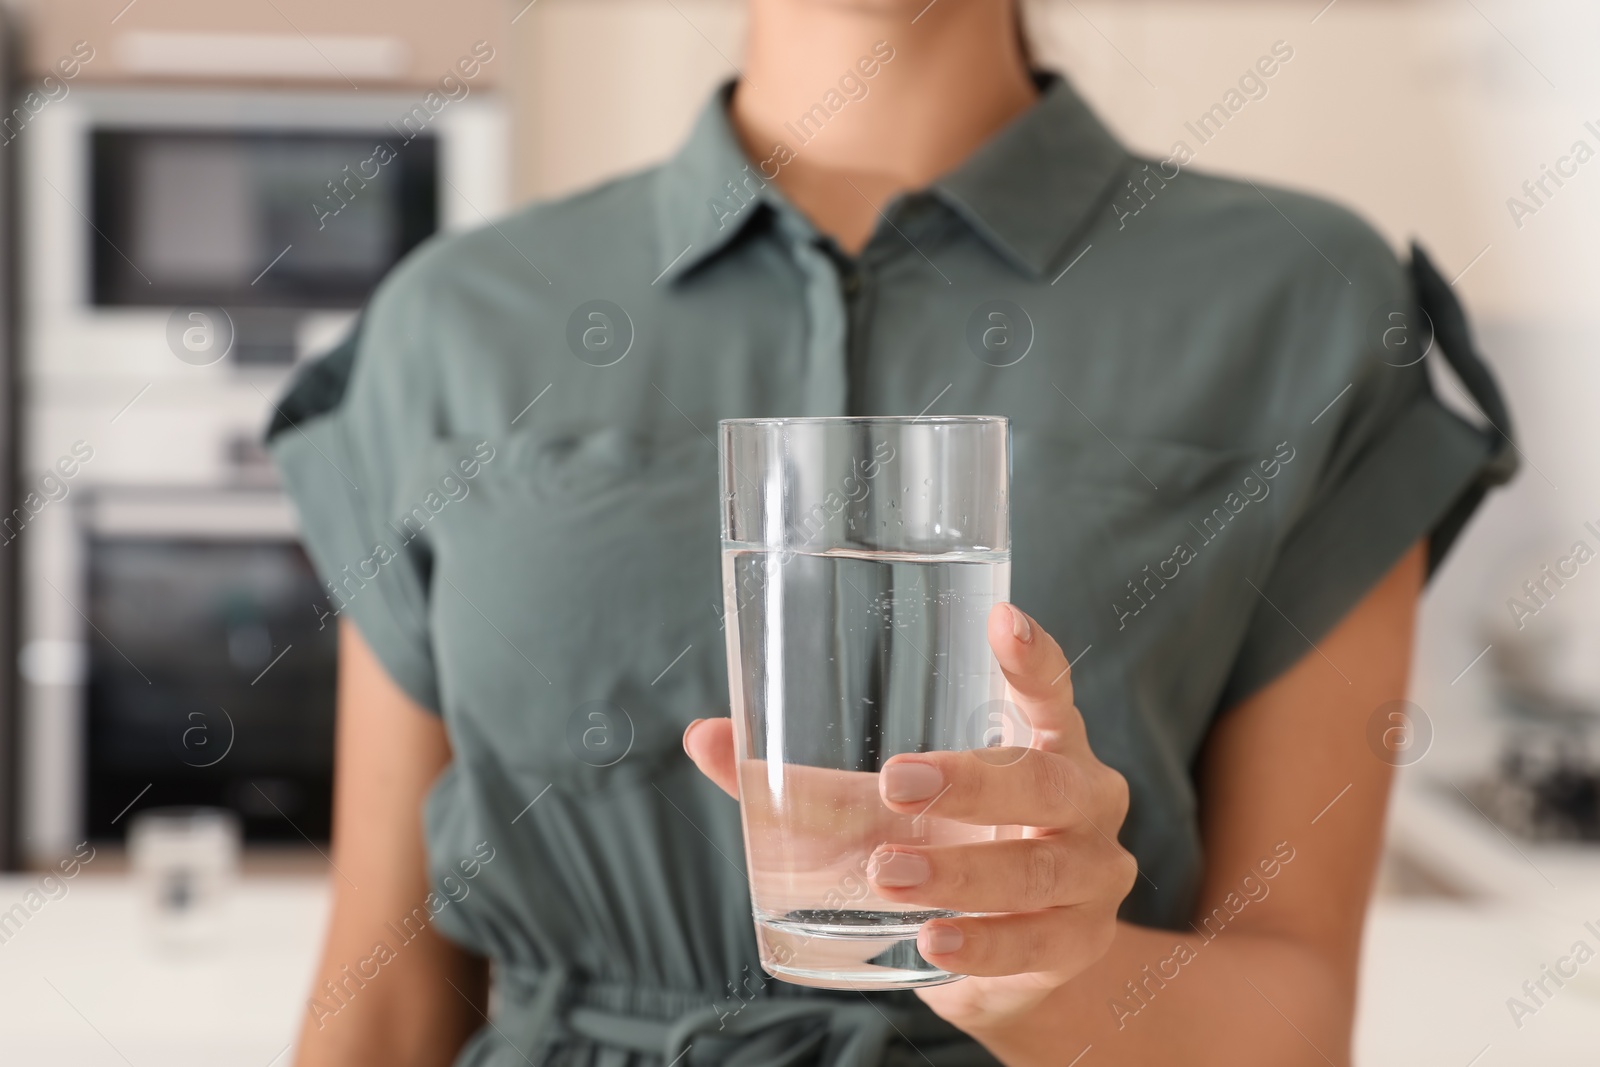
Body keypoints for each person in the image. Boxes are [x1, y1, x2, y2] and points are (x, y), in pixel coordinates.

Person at [267, 1, 1514, 1064]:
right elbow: (384, 987)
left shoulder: (1304, 302)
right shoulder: (457, 318)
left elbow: (1293, 1010)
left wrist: (1059, 974)